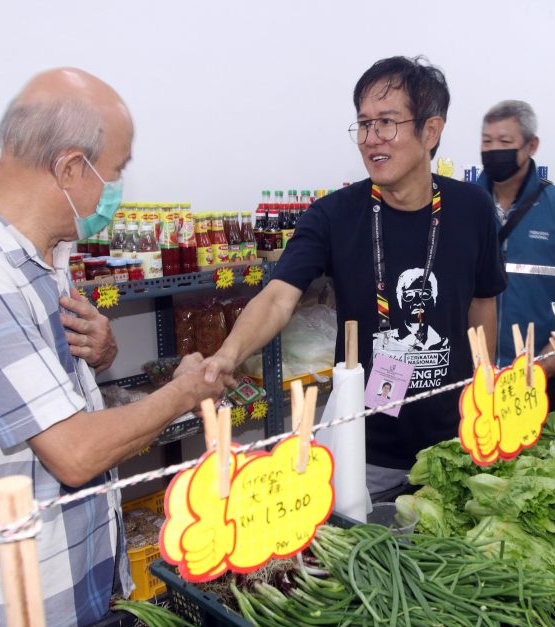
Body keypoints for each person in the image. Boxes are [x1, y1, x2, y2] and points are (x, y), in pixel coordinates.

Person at [0, 67, 228, 627]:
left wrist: (97, 356)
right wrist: (181, 394)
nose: (117, 187)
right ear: (73, 168)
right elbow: (74, 453)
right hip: (17, 623)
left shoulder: (43, 255)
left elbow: (33, 389)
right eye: (117, 171)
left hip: (80, 584)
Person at [205, 56, 506, 500]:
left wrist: (486, 391)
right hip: (366, 449)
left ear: (430, 131)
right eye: (363, 125)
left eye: (386, 123)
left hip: (456, 443)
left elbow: (482, 304)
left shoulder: (473, 209)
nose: (370, 139)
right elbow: (277, 298)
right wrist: (226, 356)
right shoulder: (333, 216)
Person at [477, 100, 555, 410]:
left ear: (531, 145)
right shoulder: (464, 205)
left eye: (505, 142)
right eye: (487, 141)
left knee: (544, 456)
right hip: (477, 372)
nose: (494, 150)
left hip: (543, 373)